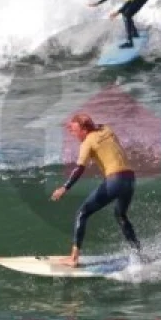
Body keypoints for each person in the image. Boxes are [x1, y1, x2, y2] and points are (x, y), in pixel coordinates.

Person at [50, 113, 142, 267]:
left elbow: (79, 169)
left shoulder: (87, 143)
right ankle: (138, 254)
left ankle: (73, 258)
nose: (74, 134)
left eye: (75, 131)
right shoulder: (106, 129)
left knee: (82, 213)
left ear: (84, 130)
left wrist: (65, 187)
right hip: (130, 179)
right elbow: (97, 126)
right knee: (121, 215)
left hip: (114, 180)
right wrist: (76, 123)